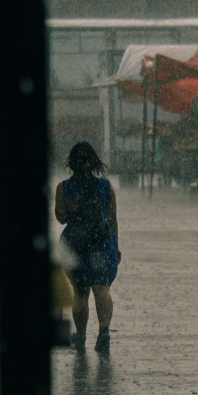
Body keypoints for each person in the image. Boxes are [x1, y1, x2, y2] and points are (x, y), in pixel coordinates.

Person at [54, 142, 120, 354]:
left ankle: (81, 335)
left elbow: (61, 218)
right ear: (94, 162)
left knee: (80, 292)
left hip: (76, 244)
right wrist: (115, 246)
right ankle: (104, 331)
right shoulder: (106, 186)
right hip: (102, 242)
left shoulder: (63, 188)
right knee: (102, 288)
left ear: (71, 164)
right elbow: (112, 219)